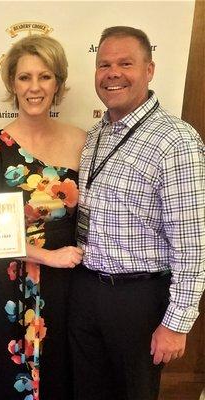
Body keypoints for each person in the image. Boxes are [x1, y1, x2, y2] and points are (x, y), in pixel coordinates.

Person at [69, 26, 205, 400]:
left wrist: (176, 324)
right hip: (86, 290)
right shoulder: (96, 134)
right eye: (104, 64)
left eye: (125, 63)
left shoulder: (176, 141)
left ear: (149, 69)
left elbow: (192, 245)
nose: (112, 73)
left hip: (138, 299)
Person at [0, 34, 85, 399]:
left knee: (64, 373)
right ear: (12, 84)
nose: (34, 87)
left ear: (58, 83)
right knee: (13, 376)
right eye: (24, 77)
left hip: (71, 281)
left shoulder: (84, 140)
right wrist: (47, 256)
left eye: (45, 76)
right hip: (15, 281)